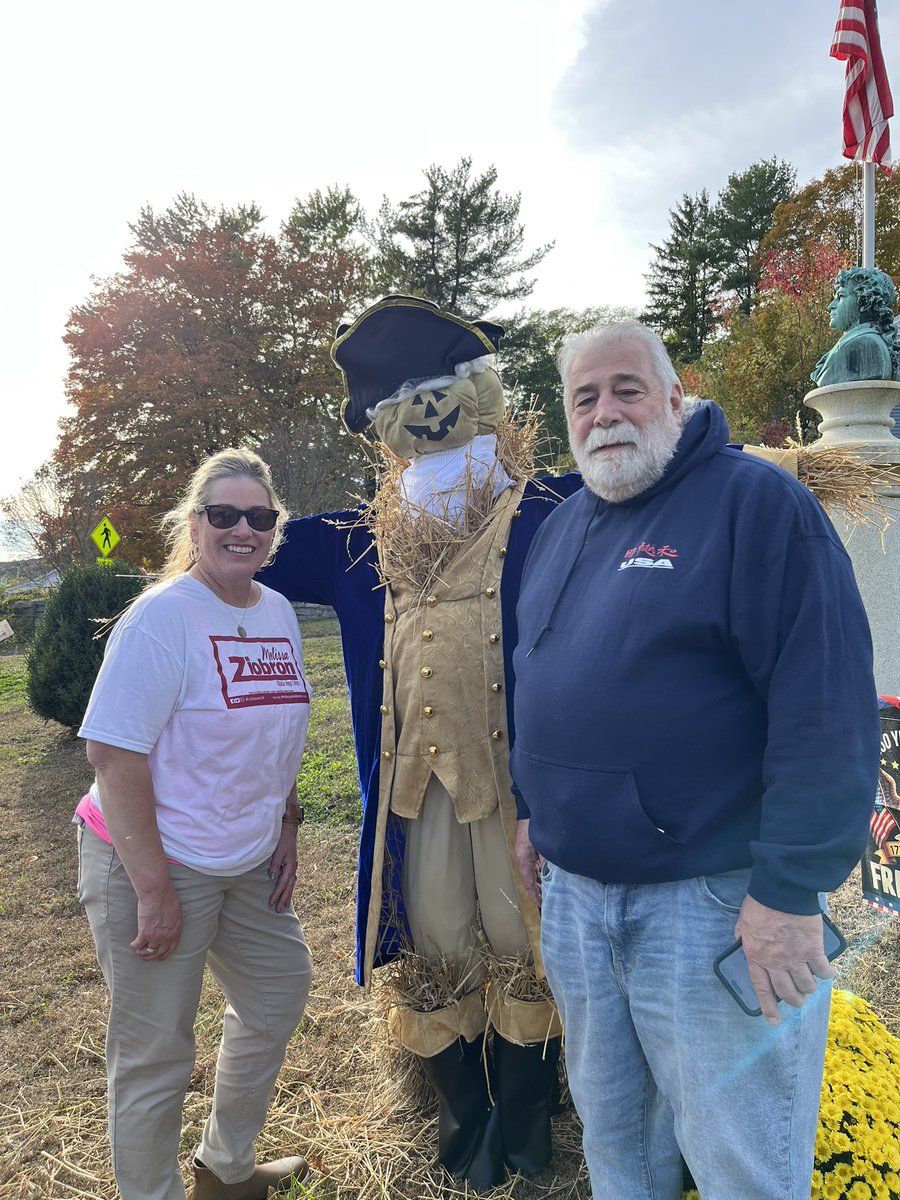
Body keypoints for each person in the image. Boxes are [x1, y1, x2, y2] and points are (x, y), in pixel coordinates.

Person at [511, 322, 880, 1200]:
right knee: (617, 1144)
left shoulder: (757, 508)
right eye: (585, 397)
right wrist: (537, 812)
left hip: (714, 905)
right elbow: (543, 679)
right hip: (577, 901)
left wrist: (790, 893)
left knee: (741, 1160)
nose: (606, 413)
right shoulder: (563, 527)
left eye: (628, 389)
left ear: (678, 398)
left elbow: (825, 708)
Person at [259, 295, 581, 1189]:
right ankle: (462, 1121)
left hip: (514, 783)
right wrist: (206, 523)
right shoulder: (361, 536)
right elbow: (248, 550)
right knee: (436, 942)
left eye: (439, 386)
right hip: (413, 788)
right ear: (384, 425)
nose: (426, 405)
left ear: (477, 391)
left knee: (526, 938)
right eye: (404, 395)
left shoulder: (550, 505)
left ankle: (528, 1121)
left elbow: (652, 493)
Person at [75, 449, 313, 1200]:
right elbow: (113, 755)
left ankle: (226, 1170)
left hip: (243, 855)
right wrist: (153, 890)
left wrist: (286, 822)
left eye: (259, 517)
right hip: (153, 857)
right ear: (194, 523)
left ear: (274, 529)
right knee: (155, 1052)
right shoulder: (162, 619)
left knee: (277, 992)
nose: (242, 529)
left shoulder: (274, 610)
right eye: (224, 515)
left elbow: (276, 731)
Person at [810, 265, 899, 387]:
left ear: (864, 302)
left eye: (841, 296)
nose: (831, 306)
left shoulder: (863, 345)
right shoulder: (863, 343)